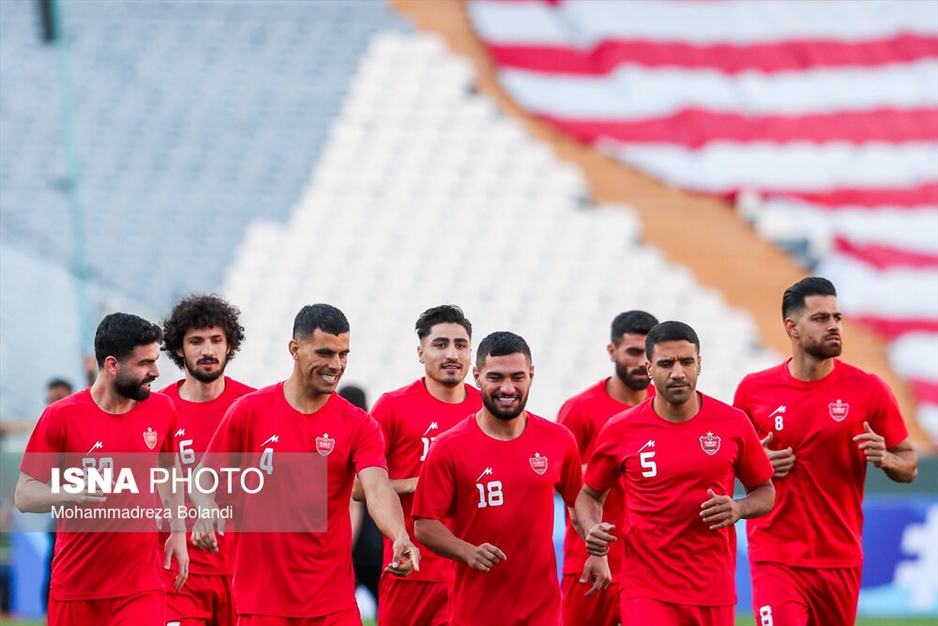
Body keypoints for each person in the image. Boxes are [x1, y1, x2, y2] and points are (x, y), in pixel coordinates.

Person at [190, 303, 419, 625]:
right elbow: (204, 477)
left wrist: (399, 535)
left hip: (332, 604)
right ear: (295, 349)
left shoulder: (359, 425)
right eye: (325, 353)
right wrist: (205, 509)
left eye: (343, 354)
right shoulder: (249, 412)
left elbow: (378, 489)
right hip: (262, 602)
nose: (336, 365)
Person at [733, 277, 918, 626]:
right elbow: (727, 464)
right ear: (793, 328)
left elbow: (908, 465)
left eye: (837, 317)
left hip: (840, 559)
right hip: (775, 557)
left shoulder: (869, 390)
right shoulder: (753, 391)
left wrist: (887, 458)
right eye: (821, 318)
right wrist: (755, 465)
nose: (833, 325)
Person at [576, 321, 775, 626]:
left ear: (699, 365)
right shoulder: (621, 428)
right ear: (650, 369)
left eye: (686, 362)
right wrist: (591, 527)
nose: (678, 372)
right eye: (666, 363)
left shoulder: (733, 423)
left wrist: (739, 507)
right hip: (646, 588)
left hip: (714, 590)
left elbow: (765, 491)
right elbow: (590, 493)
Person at [15, 312, 189, 626]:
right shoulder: (61, 417)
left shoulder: (162, 409)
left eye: (155, 360)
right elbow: (25, 496)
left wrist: (178, 531)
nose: (156, 372)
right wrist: (70, 493)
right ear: (111, 365)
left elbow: (170, 471)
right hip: (76, 590)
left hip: (140, 588)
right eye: (145, 363)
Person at [413, 331, 582, 626]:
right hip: (476, 612)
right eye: (496, 377)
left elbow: (579, 503)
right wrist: (467, 551)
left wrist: (597, 553)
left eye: (517, 377)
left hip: (543, 611)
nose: (508, 387)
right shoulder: (449, 446)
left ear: (531, 375)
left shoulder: (558, 439)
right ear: (477, 377)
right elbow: (425, 525)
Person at [362, 305, 482, 626]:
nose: (452, 354)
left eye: (460, 345)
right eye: (440, 345)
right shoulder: (393, 406)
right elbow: (359, 486)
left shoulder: (486, 409)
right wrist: (420, 483)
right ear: (421, 352)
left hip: (473, 572)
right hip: (411, 571)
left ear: (471, 353)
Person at [158, 294, 255, 626]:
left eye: (216, 340)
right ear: (179, 349)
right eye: (196, 341)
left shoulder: (254, 406)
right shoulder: (156, 410)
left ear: (229, 346)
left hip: (245, 573)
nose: (208, 350)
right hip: (178, 574)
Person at [557, 310, 658, 626]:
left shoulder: (668, 406)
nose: (642, 361)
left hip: (650, 569)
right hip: (589, 563)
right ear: (612, 351)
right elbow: (561, 481)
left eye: (649, 353)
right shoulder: (580, 411)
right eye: (633, 352)